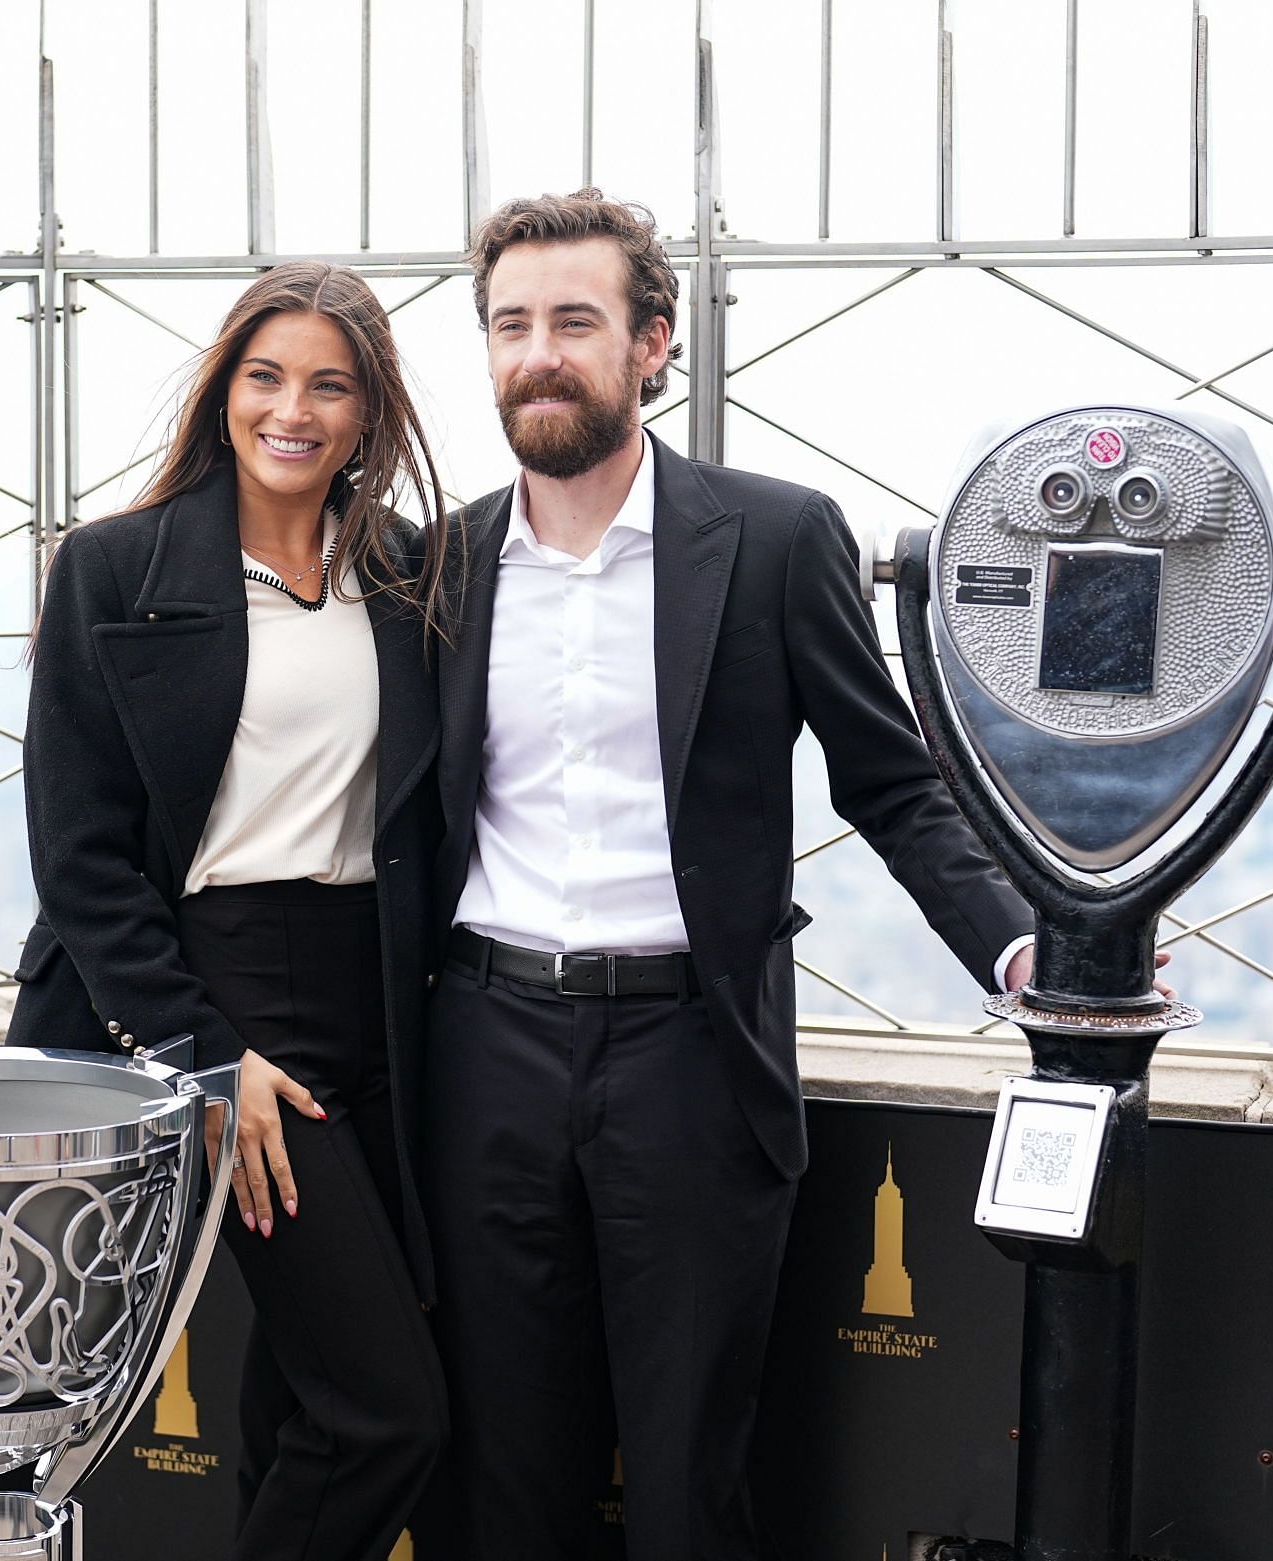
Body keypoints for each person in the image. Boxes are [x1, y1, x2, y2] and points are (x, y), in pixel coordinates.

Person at [418, 189, 1039, 1561]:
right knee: (507, 1485)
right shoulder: (440, 562)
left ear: (651, 341)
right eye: (511, 324)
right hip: (482, 1054)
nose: (539, 353)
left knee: (693, 1484)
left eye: (575, 321)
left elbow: (890, 778)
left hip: (691, 1060)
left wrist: (1020, 949)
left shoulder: (771, 537)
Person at [6, 261, 452, 1561]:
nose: (292, 408)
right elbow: (80, 854)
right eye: (266, 376)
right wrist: (205, 1053)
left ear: (371, 412)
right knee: (387, 1413)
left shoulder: (414, 574)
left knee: (312, 1397)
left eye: (331, 382)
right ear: (223, 392)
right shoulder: (115, 569)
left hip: (378, 999)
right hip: (222, 998)